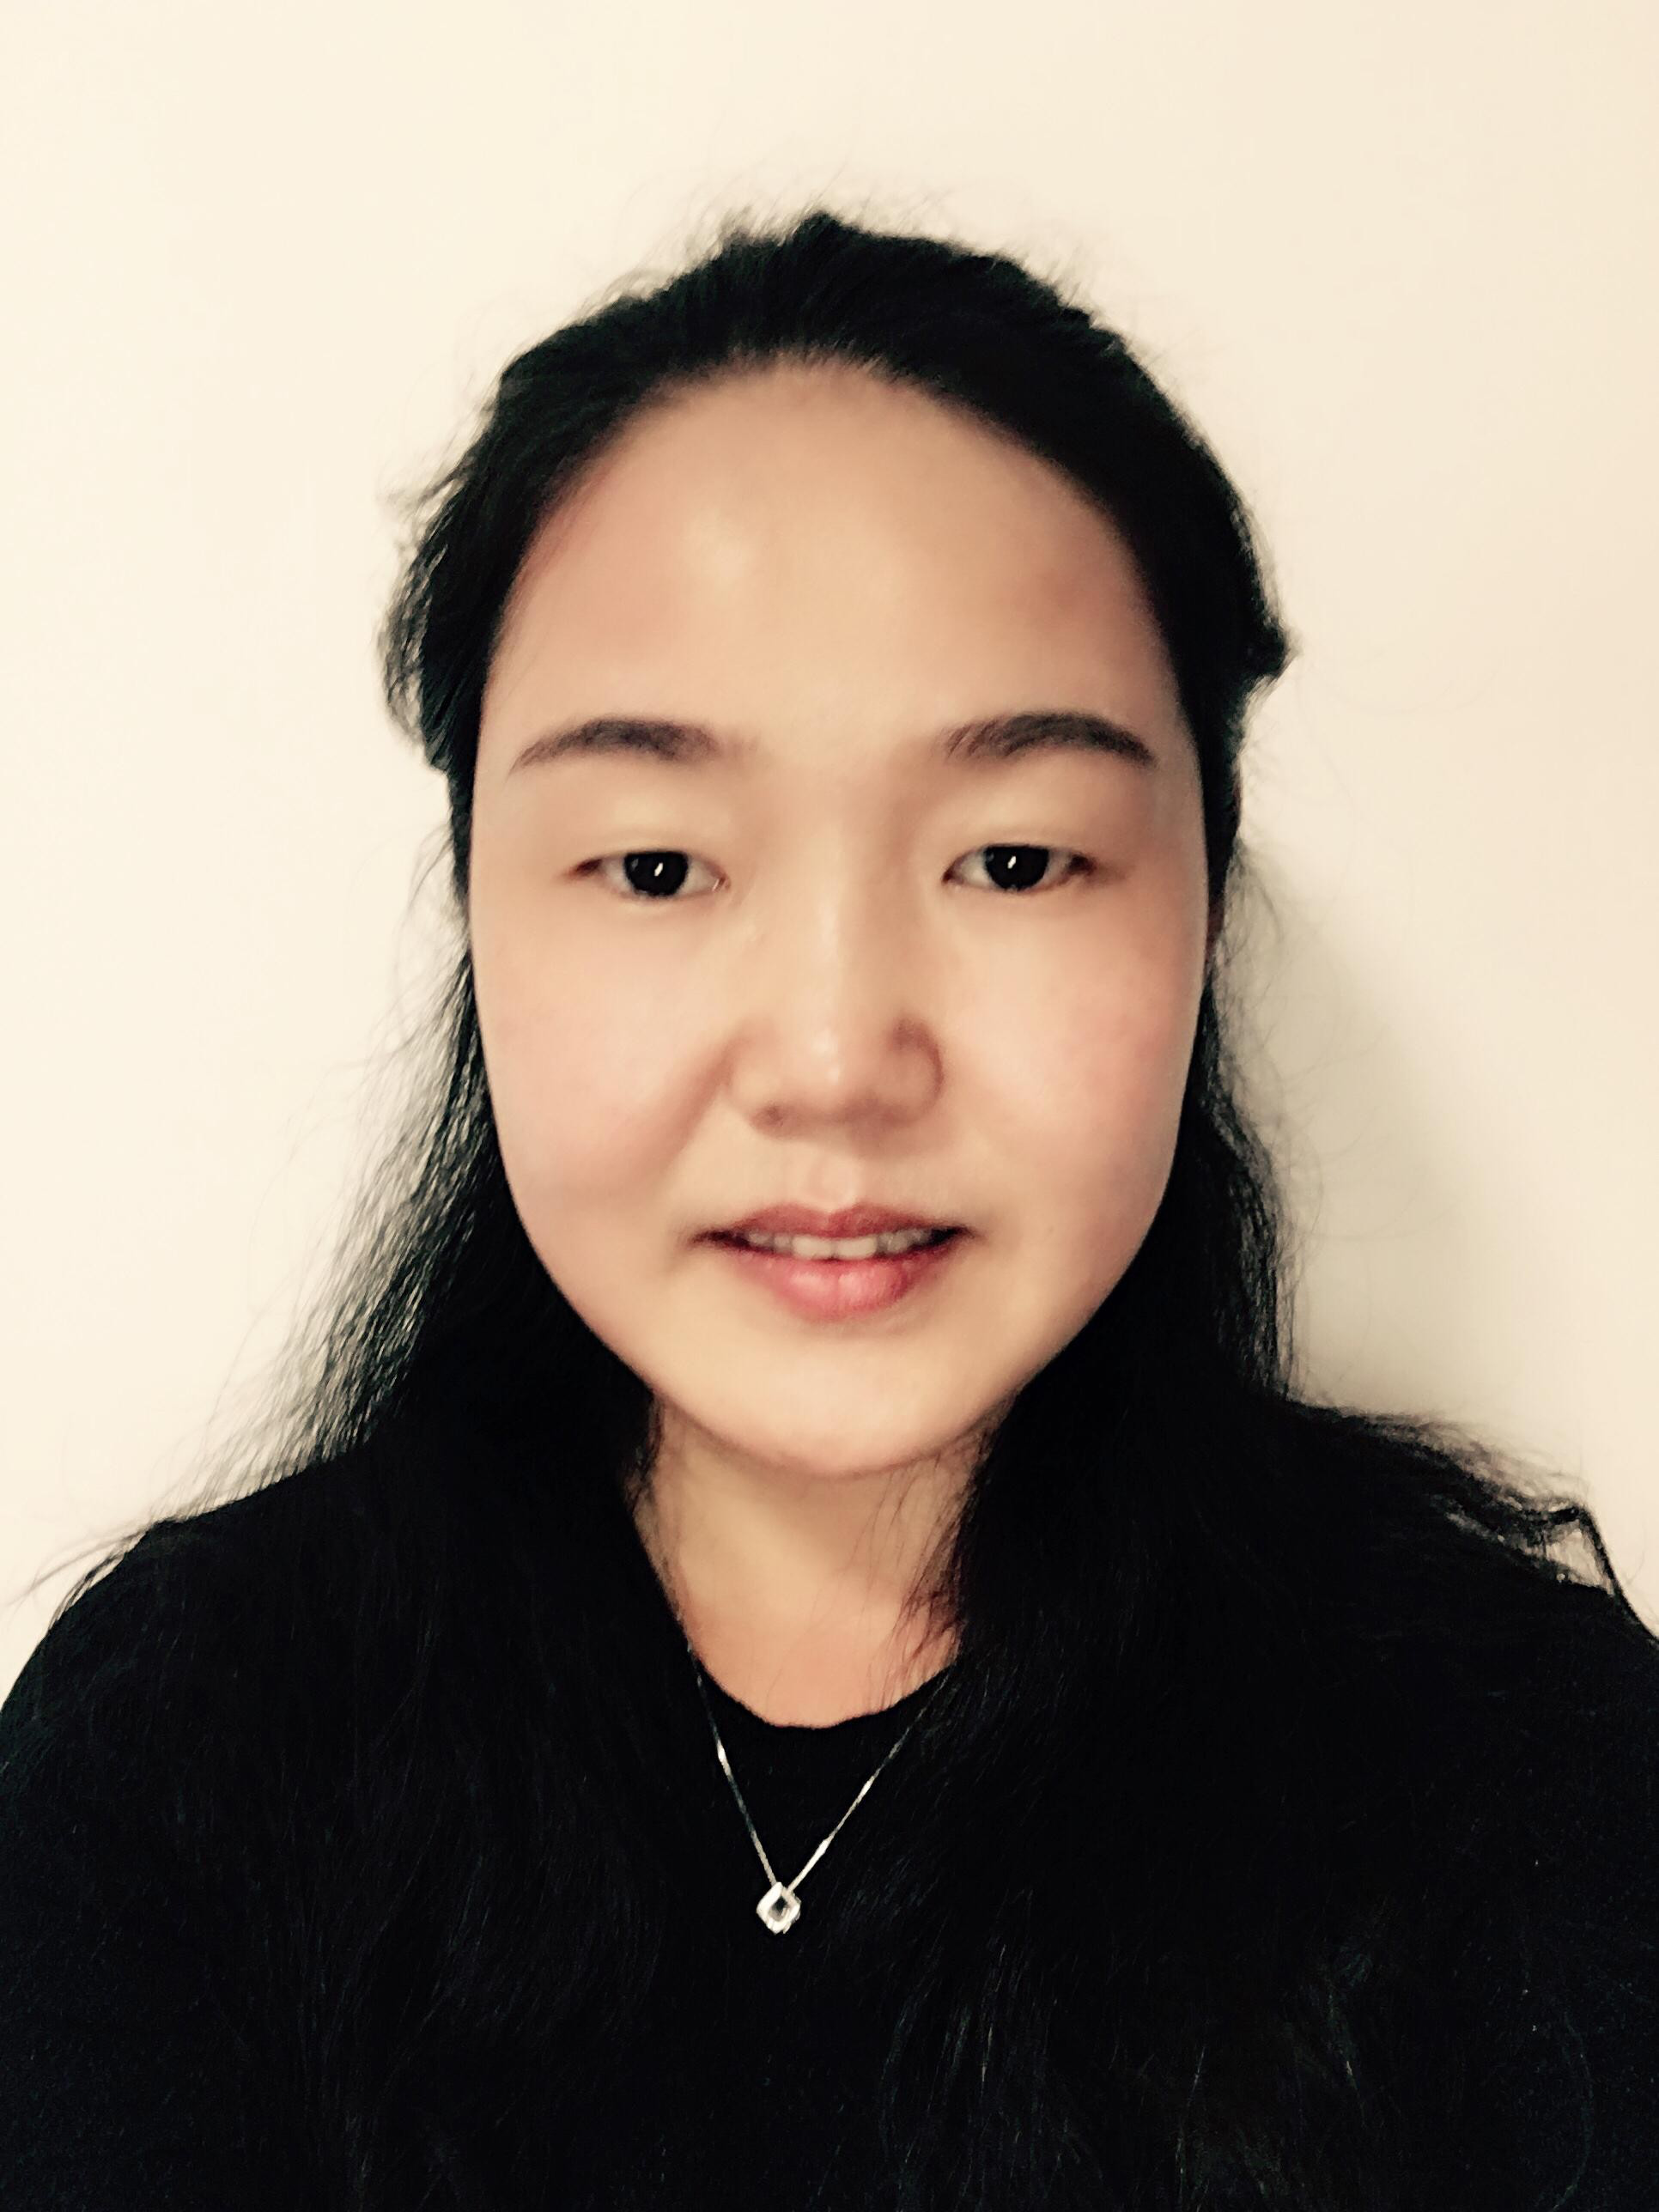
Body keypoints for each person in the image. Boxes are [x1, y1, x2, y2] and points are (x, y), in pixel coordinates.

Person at [2, 204, 1656, 2212]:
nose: (835, 1058)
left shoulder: (1528, 1771)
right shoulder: (178, 1758)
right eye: (658, 866)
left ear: (1208, 908)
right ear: (478, 911)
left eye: (1016, 860)